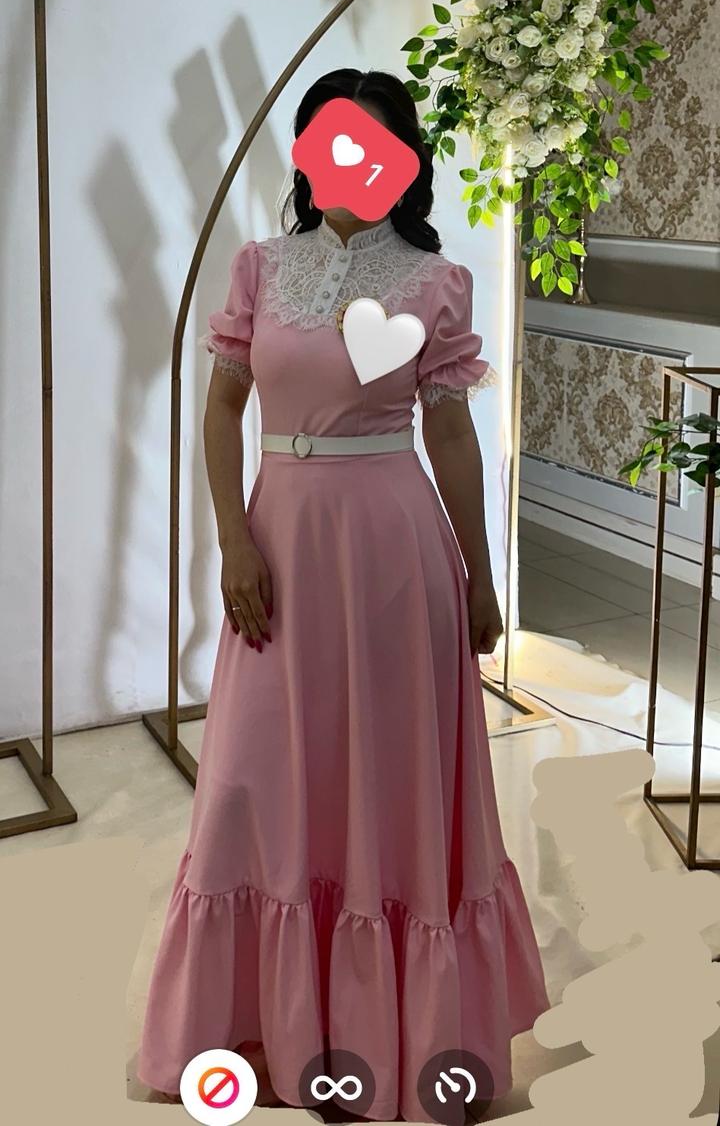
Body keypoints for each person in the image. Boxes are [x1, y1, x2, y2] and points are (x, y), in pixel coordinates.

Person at [137, 68, 550, 1122]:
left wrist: (481, 575)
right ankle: (262, 1018)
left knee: (387, 786)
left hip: (394, 558)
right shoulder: (261, 266)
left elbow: (451, 434)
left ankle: (390, 1031)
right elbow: (221, 408)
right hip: (281, 546)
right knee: (254, 776)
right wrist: (232, 540)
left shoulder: (436, 280)